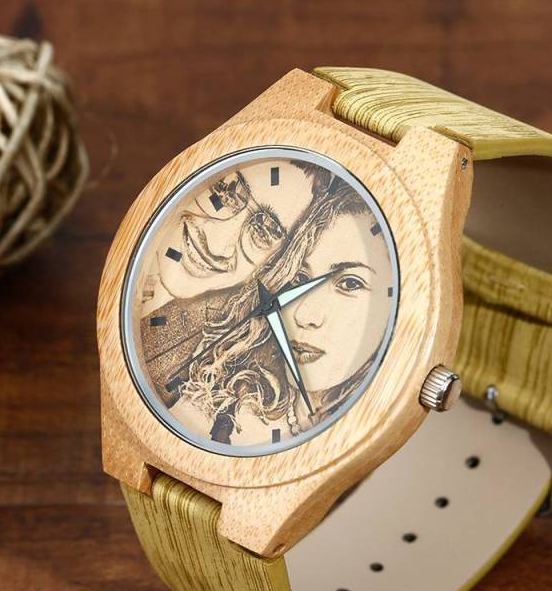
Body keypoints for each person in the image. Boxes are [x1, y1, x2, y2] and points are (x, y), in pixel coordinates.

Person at [172, 174, 393, 446]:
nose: (303, 314)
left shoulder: (372, 428)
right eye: (299, 279)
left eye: (349, 283)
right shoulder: (231, 399)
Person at [138, 160, 322, 406]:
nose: (216, 246)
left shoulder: (215, 338)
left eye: (264, 232)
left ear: (274, 266)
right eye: (226, 193)